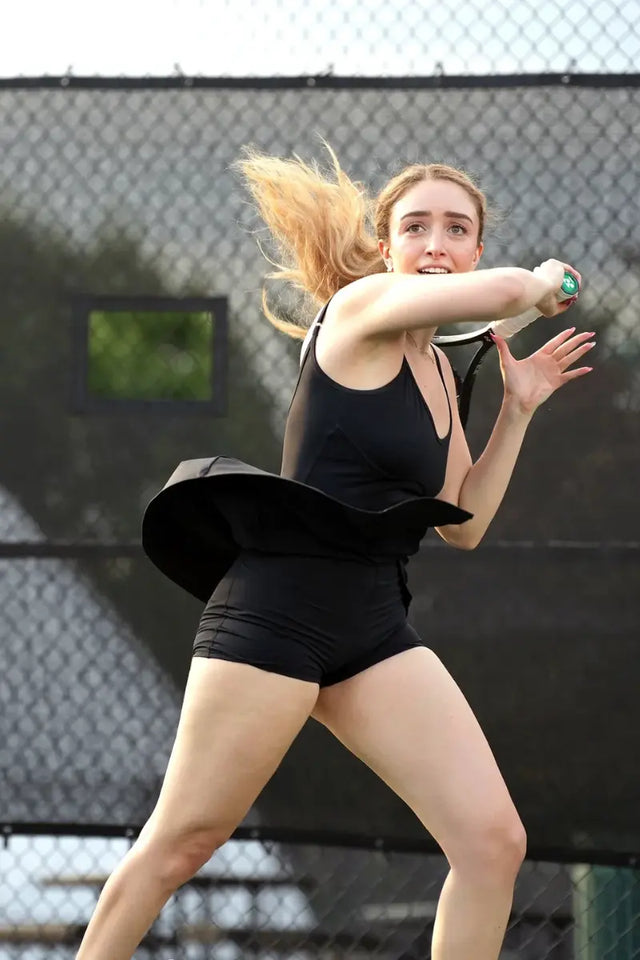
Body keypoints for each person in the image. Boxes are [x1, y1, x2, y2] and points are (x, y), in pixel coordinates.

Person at [75, 145, 593, 960]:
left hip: (372, 627)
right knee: (183, 843)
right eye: (414, 226)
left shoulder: (438, 373)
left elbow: (463, 523)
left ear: (474, 249)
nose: (434, 243)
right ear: (385, 249)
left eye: (456, 230)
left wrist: (518, 408)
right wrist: (543, 282)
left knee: (492, 843)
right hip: (276, 615)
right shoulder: (358, 309)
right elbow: (506, 294)